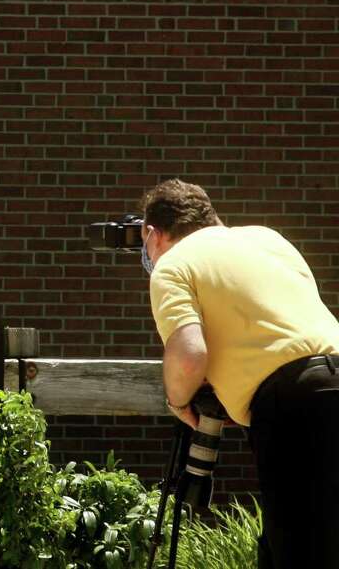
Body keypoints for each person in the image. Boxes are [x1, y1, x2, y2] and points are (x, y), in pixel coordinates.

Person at [140, 178, 339, 568]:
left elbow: (188, 357)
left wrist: (179, 401)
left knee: (298, 550)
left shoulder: (172, 267)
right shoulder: (267, 239)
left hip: (294, 403)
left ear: (152, 235)